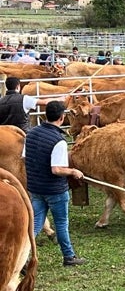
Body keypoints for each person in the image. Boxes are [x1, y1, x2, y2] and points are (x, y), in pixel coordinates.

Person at [23, 101, 85, 266]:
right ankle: (69, 257)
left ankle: (21, 258)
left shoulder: (31, 133)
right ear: (62, 117)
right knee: (61, 223)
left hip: (36, 188)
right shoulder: (59, 140)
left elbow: (24, 157)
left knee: (35, 225)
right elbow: (56, 169)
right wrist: (73, 172)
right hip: (55, 190)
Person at [0, 77, 65, 133]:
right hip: (22, 133)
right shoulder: (24, 99)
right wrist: (60, 98)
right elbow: (45, 102)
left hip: (6, 134)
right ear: (18, 86)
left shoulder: (1, 100)